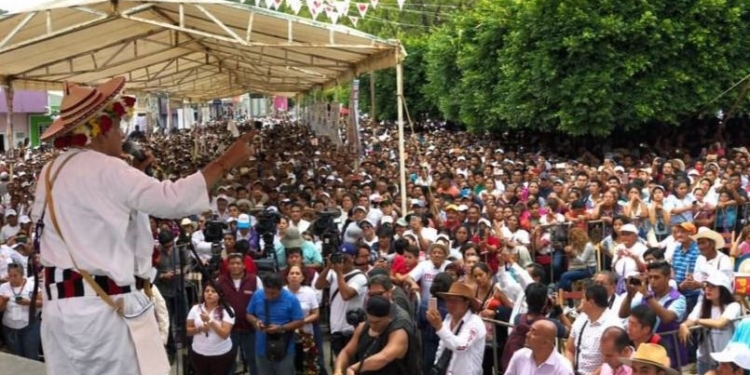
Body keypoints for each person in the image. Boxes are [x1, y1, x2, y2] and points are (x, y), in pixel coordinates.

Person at [31, 77, 256, 375]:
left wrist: (133, 176)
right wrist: (227, 160)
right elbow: (174, 199)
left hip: (62, 311)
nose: (122, 134)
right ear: (103, 129)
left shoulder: (50, 171)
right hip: (102, 314)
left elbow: (92, 217)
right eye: (119, 126)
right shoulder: (109, 169)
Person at [678, 269, 741, 375]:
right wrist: (684, 325)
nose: (708, 289)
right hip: (704, 359)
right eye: (707, 285)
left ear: (723, 289)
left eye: (713, 286)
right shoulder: (701, 305)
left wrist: (698, 321)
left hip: (726, 362)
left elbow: (720, 323)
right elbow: (689, 321)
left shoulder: (733, 306)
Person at [334, 296, 413, 375]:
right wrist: (338, 370)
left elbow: (384, 357)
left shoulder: (399, 333)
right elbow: (347, 352)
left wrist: (354, 367)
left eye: (377, 322)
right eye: (370, 321)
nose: (373, 325)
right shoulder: (362, 327)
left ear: (388, 317)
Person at [314, 243, 368, 358]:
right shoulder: (333, 273)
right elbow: (318, 285)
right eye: (341, 257)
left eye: (346, 258)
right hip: (336, 327)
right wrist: (328, 267)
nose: (343, 261)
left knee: (351, 364)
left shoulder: (360, 277)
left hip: (352, 328)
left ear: (353, 258)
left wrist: (339, 272)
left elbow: (346, 294)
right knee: (339, 364)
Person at [247, 273, 305, 375]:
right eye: (266, 292)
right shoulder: (257, 295)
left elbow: (300, 321)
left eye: (273, 293)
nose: (269, 296)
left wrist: (281, 328)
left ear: (280, 289)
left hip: (284, 348)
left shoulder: (291, 299)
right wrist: (256, 322)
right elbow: (249, 314)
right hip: (262, 347)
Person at [215, 253, 262, 375]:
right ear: (228, 266)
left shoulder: (254, 280)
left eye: (238, 263)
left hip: (250, 329)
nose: (235, 266)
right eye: (232, 263)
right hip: (228, 330)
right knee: (228, 362)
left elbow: (262, 301)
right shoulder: (219, 281)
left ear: (244, 266)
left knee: (254, 360)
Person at [426, 282, 487, 375]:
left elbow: (461, 346)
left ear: (467, 303)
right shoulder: (448, 318)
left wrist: (439, 327)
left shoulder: (475, 323)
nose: (450, 304)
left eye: (455, 300)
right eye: (448, 300)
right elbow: (442, 347)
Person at [564, 284, 621, 375]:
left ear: (591, 302)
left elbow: (611, 360)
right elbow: (569, 349)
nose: (581, 301)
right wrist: (569, 371)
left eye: (583, 298)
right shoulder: (581, 319)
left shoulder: (613, 325)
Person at [186, 283, 236, 375]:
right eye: (207, 291)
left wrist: (210, 321)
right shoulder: (195, 308)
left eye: (213, 291)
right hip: (198, 353)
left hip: (221, 355)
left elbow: (225, 334)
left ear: (220, 295)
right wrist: (199, 329)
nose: (209, 294)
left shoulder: (227, 310)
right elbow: (186, 331)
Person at [0, 263, 42, 360]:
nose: (12, 279)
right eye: (10, 276)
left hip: (29, 326)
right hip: (10, 328)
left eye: (15, 276)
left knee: (31, 356)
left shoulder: (32, 285)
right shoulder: (3, 287)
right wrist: (4, 302)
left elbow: (42, 302)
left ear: (22, 274)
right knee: (17, 357)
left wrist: (28, 302)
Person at [284, 265, 320, 375]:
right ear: (287, 276)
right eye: (292, 273)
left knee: (309, 367)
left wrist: (302, 321)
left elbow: (316, 313)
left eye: (297, 273)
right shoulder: (281, 292)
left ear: (303, 278)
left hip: (306, 335)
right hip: (286, 335)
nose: (294, 276)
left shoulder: (309, 292)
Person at [505, 319, 575, 375]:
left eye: (534, 333)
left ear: (546, 342)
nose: (527, 334)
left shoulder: (563, 368)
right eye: (530, 330)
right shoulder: (520, 356)